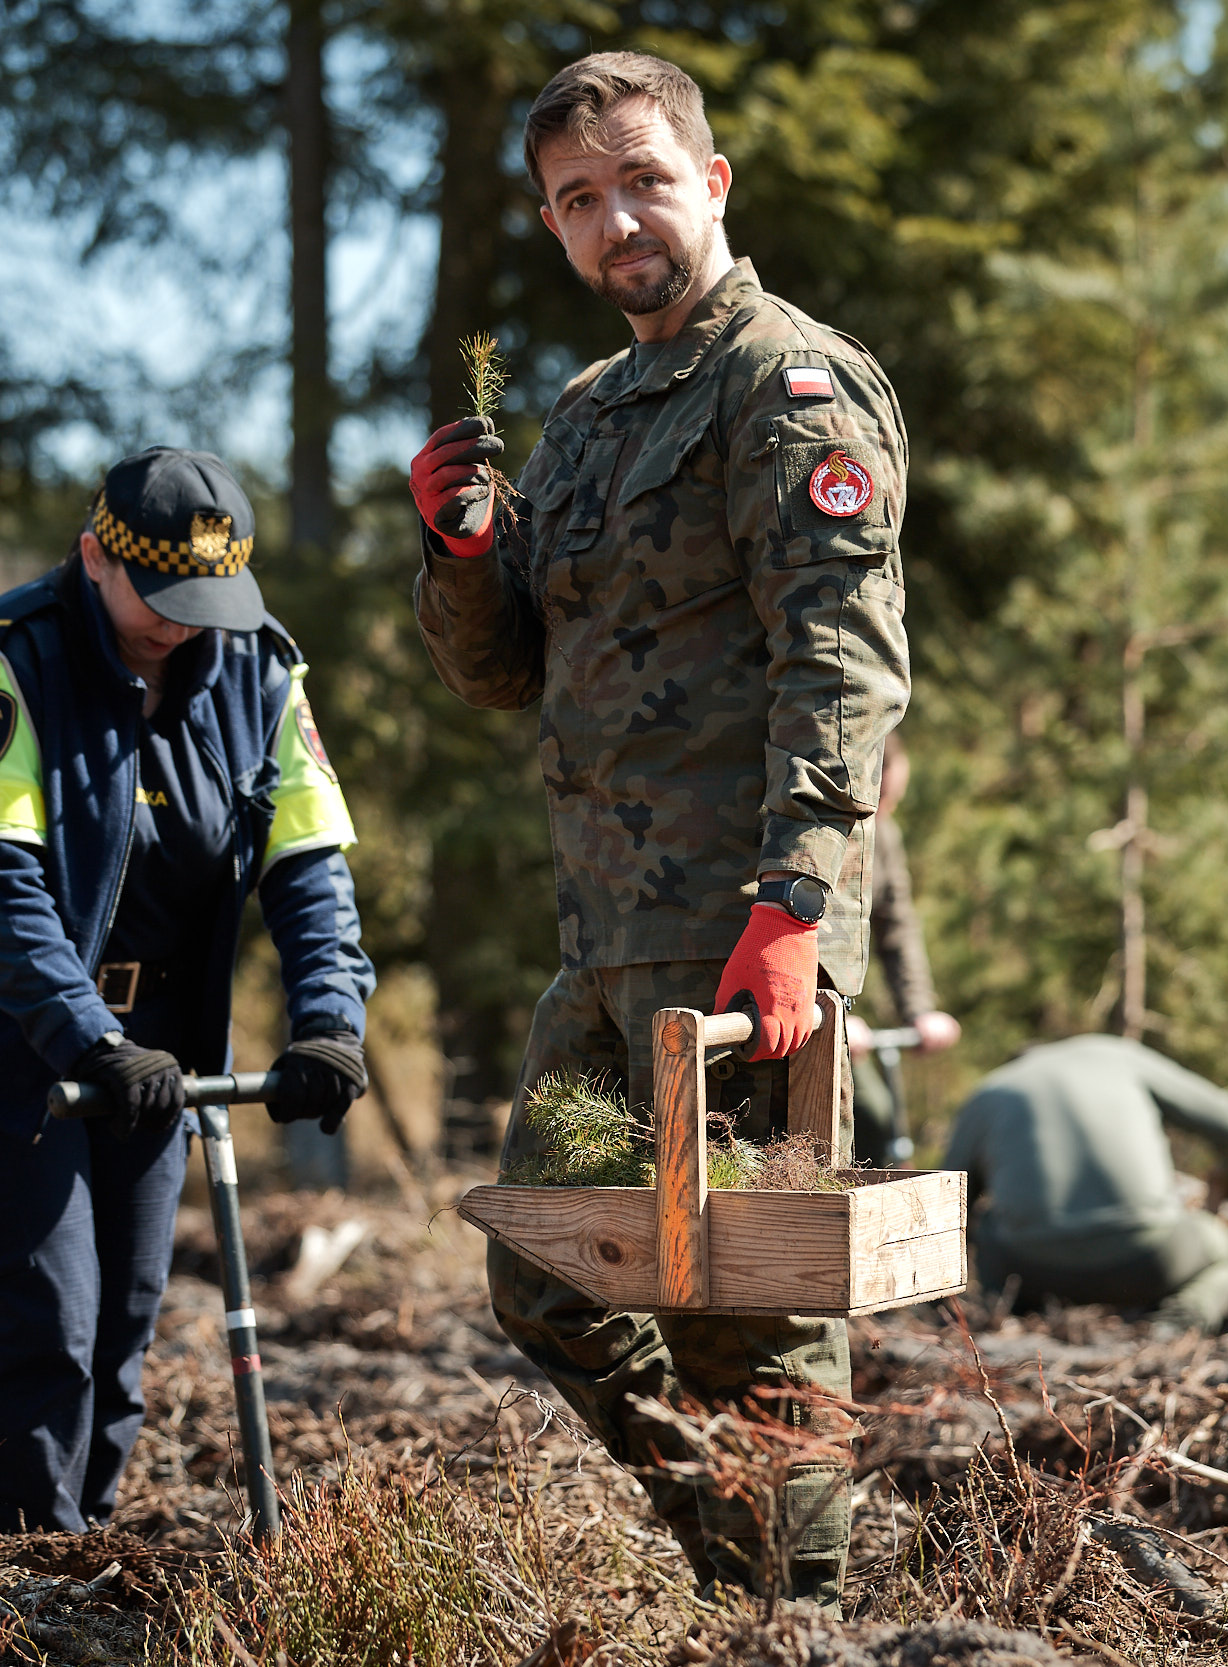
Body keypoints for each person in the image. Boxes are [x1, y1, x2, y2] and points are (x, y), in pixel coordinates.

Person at [408, 52, 910, 1610]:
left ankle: (791, 1618)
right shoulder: (585, 415)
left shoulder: (789, 383)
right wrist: (462, 553)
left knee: (755, 1306)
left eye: (642, 179)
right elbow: (506, 673)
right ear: (554, 227)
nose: (617, 219)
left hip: (741, 936)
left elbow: (845, 658)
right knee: (547, 1271)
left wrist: (794, 903)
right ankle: (734, 1551)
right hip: (606, 941)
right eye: (579, 199)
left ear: (712, 181)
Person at [0, 448, 376, 1534]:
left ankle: (72, 1560)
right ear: (95, 555)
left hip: (150, 1065)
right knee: (45, 1331)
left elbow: (307, 864)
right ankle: (12, 1585)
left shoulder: (259, 671)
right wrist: (89, 1037)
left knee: (117, 1336)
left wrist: (329, 1018)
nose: (184, 626)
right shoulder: (10, 657)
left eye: (207, 603)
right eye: (161, 598)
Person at [944, 1036, 1228, 1335]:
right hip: (1147, 1259)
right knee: (1219, 1249)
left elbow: (944, 1202)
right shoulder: (1116, 1055)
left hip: (1029, 1275)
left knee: (989, 1227)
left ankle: (1008, 1321)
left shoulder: (989, 1091)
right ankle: (1175, 1326)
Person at [847, 735, 959, 1165]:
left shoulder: (884, 835)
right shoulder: (810, 830)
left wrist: (919, 1010)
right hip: (797, 1006)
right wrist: (833, 1016)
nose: (885, 813)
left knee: (882, 1125)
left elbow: (897, 926)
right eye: (881, 801)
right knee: (868, 1115)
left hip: (842, 1016)